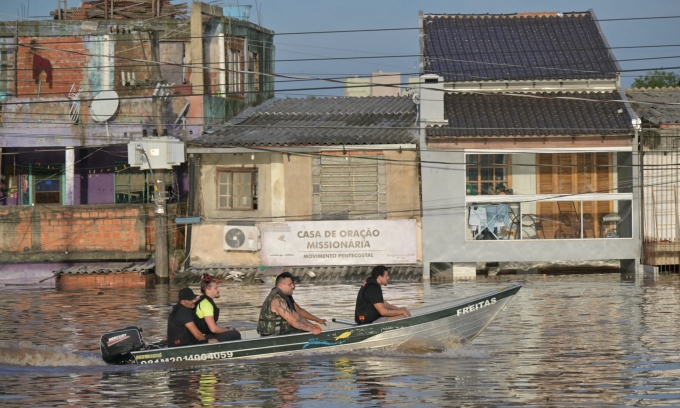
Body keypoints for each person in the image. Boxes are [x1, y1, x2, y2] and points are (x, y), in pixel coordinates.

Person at [257, 272, 323, 336]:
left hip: (280, 333)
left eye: (293, 284)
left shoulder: (285, 297)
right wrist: (311, 329)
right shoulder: (277, 300)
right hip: (272, 336)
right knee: (302, 330)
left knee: (305, 328)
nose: (293, 286)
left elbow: (297, 316)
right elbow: (292, 321)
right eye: (290, 284)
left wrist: (312, 326)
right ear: (281, 285)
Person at [195, 274, 242, 342]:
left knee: (228, 330)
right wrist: (228, 330)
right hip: (204, 336)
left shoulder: (202, 300)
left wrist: (225, 329)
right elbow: (213, 329)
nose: (219, 290)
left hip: (206, 334)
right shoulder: (206, 304)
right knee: (235, 334)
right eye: (216, 288)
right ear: (208, 290)